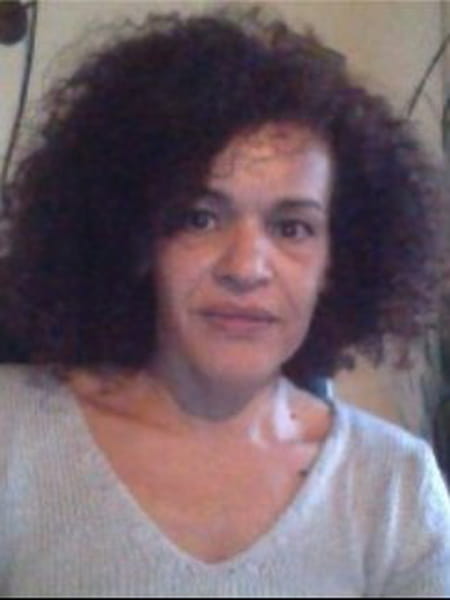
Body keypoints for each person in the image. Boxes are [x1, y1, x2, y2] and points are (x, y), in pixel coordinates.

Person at [0, 7, 449, 597]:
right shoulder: (11, 437)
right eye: (200, 218)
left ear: (335, 262)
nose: (245, 268)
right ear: (136, 237)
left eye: (292, 228)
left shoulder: (396, 488)